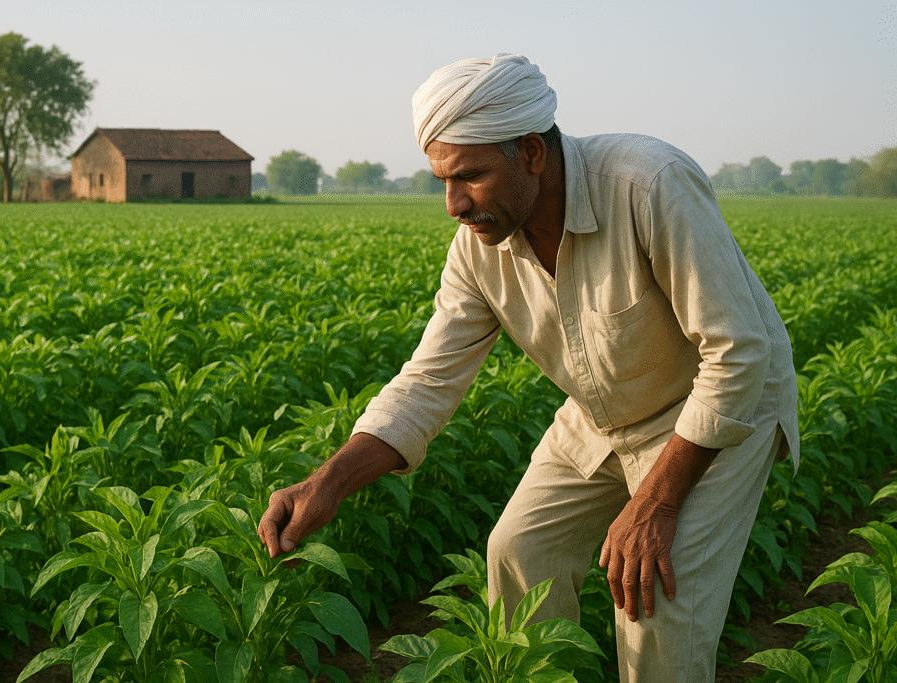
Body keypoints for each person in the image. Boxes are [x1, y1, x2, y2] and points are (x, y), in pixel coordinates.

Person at [258, 53, 799, 683]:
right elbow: (428, 380)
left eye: (472, 176)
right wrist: (326, 484)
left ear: (533, 153)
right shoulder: (479, 248)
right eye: (443, 181)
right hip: (604, 412)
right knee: (518, 553)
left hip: (716, 410)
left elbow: (738, 354)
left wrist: (655, 503)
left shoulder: (649, 186)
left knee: (655, 608)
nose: (454, 204)